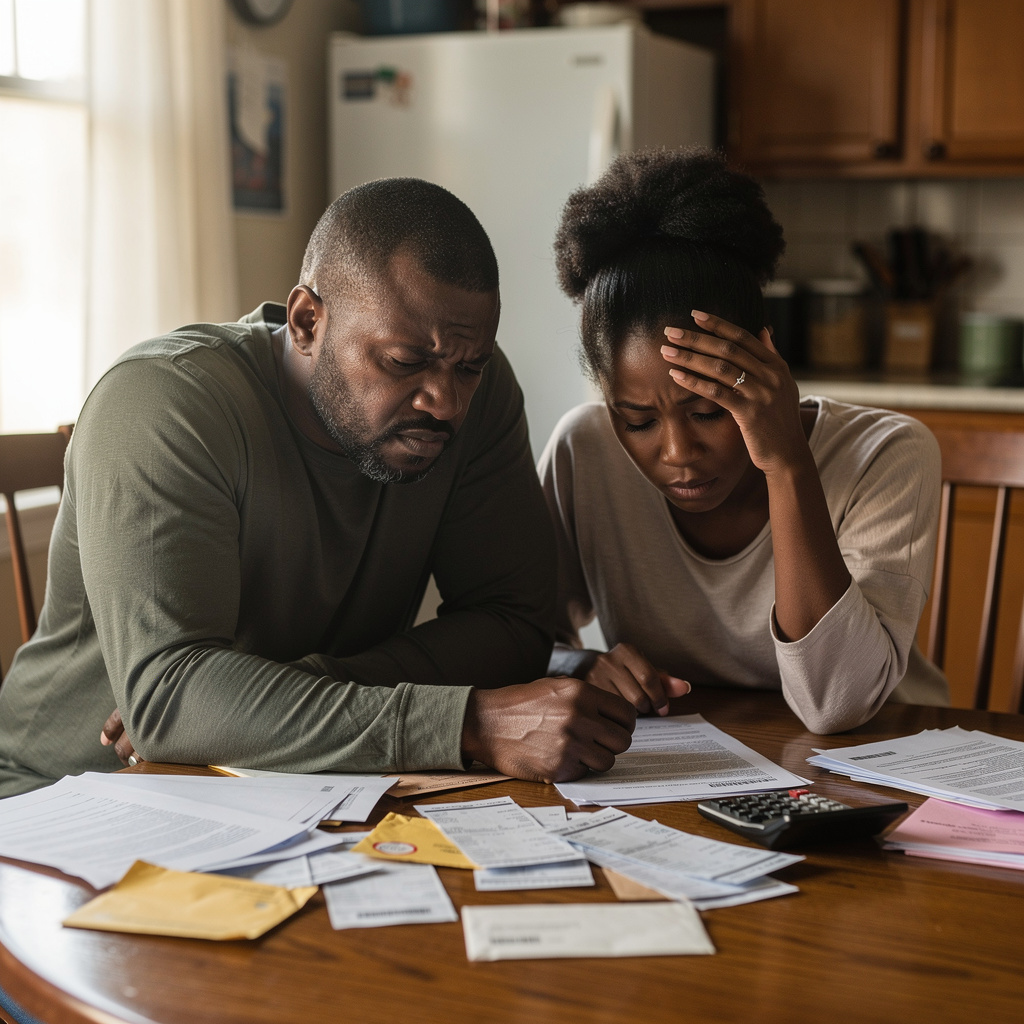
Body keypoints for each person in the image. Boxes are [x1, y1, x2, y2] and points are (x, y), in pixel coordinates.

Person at [0, 178, 635, 797]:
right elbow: (171, 705)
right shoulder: (165, 403)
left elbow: (514, 624)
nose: (444, 402)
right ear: (307, 321)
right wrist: (465, 723)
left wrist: (263, 698)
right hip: (71, 799)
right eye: (404, 361)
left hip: (295, 791)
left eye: (467, 367)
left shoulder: (484, 393)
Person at [541, 149, 949, 734]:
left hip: (884, 752)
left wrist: (786, 463)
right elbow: (522, 638)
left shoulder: (886, 455)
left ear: (763, 362)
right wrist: (583, 664)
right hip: (693, 751)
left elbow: (837, 704)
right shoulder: (584, 450)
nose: (678, 453)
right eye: (638, 422)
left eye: (707, 411)